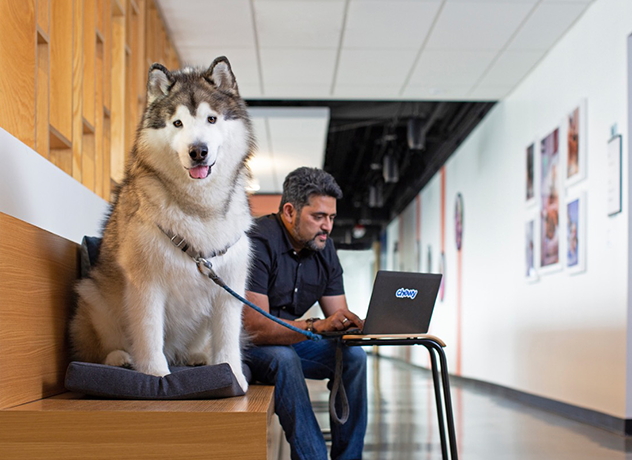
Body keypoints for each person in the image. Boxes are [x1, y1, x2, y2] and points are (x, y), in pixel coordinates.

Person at [243, 167, 367, 460]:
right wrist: (316, 325)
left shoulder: (325, 248)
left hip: (290, 341)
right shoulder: (258, 242)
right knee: (284, 359)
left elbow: (338, 318)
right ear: (289, 211)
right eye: (318, 217)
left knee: (354, 357)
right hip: (248, 345)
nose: (327, 227)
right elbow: (256, 328)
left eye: (332, 218)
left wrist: (354, 326)